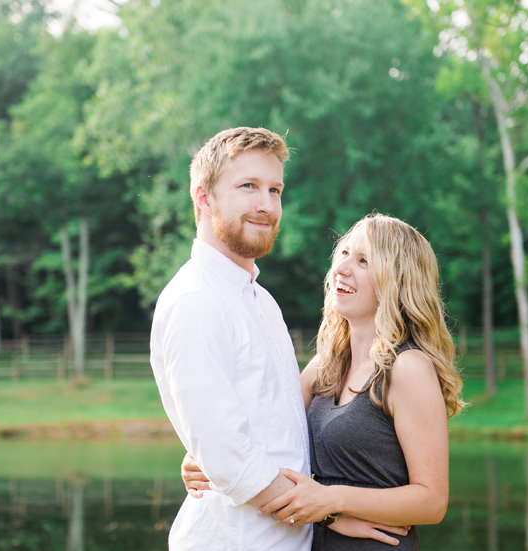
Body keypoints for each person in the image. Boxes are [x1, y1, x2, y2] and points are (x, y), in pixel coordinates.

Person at [150, 128, 410, 551]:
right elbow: (231, 458)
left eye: (275, 190)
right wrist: (329, 512)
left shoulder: (260, 300)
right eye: (248, 186)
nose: (266, 205)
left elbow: (277, 420)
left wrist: (208, 456)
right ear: (204, 197)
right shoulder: (196, 301)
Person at [183, 213, 465, 550]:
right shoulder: (325, 367)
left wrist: (332, 499)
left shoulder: (408, 367)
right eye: (344, 254)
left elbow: (432, 501)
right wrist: (209, 455)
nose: (342, 268)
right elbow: (266, 430)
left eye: (364, 261)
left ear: (398, 281)